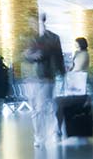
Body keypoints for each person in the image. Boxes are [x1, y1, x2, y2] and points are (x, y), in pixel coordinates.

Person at [22, 13, 63, 147]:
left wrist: (62, 72)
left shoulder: (52, 38)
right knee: (36, 109)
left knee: (43, 107)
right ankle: (40, 135)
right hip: (31, 78)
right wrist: (30, 55)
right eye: (32, 22)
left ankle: (49, 133)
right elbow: (24, 56)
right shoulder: (28, 38)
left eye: (36, 22)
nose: (33, 25)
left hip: (46, 76)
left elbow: (57, 56)